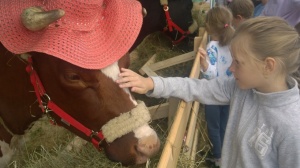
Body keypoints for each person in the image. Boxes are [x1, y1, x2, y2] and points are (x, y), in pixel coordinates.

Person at [117, 17, 300, 167]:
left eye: (238, 62)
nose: (231, 67)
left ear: (268, 66)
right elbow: (196, 87)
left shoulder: (293, 128)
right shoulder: (240, 88)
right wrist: (151, 83)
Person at [197, 6, 235, 167]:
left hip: (213, 94)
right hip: (229, 94)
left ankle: (219, 158)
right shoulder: (233, 43)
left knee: (213, 127)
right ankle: (226, 153)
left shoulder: (212, 46)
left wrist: (204, 64)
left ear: (209, 26)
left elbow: (211, 74)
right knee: (224, 125)